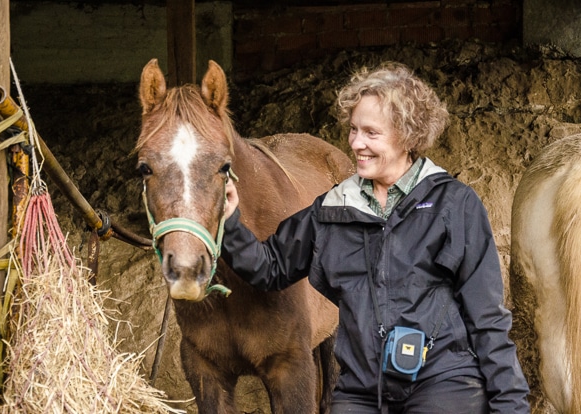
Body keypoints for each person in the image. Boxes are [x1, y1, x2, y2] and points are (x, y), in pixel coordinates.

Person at [221, 62, 530, 413]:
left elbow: (487, 318)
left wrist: (511, 405)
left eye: (371, 133)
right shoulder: (333, 210)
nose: (356, 143)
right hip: (363, 391)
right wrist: (230, 220)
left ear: (407, 135)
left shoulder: (454, 205)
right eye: (353, 130)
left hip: (444, 382)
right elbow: (269, 267)